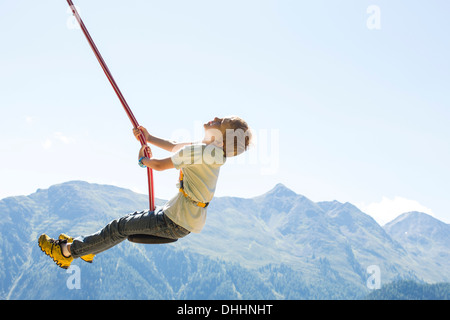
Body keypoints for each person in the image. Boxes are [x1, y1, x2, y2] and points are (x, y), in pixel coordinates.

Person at [38, 116, 252, 269]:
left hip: (174, 220)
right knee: (124, 223)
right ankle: (88, 246)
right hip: (182, 219)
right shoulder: (213, 152)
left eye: (221, 122)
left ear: (221, 140)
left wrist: (143, 161)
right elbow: (175, 146)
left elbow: (158, 166)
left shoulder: (203, 150)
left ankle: (66, 252)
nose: (215, 118)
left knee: (119, 227)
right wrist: (148, 138)